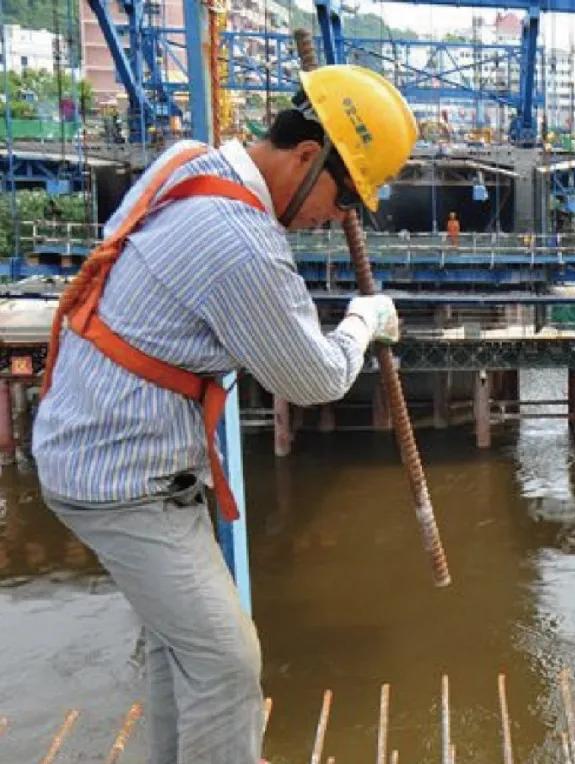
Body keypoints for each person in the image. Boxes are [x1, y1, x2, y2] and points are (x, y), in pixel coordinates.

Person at [32, 65, 417, 763]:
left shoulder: (189, 162)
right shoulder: (243, 242)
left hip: (94, 445)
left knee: (179, 649)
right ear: (306, 158)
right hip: (123, 476)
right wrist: (365, 321)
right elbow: (314, 377)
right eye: (345, 196)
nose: (339, 218)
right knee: (226, 663)